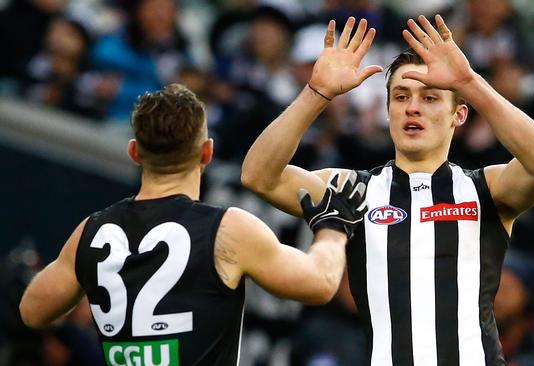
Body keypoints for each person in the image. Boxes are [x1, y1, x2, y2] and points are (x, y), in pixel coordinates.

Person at [241, 14, 534, 365]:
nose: (413, 107)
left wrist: (469, 82)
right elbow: (259, 176)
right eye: (401, 96)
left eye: (430, 98)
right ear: (388, 110)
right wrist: (316, 94)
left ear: (460, 115)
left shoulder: (484, 188)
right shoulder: (354, 189)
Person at [19, 83, 368, 365]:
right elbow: (319, 283)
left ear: (134, 152)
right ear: (207, 152)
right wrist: (333, 227)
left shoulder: (92, 231)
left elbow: (33, 311)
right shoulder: (228, 230)